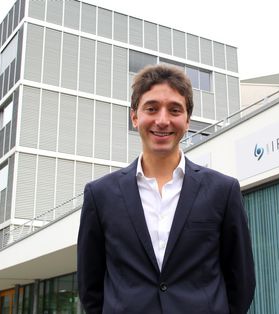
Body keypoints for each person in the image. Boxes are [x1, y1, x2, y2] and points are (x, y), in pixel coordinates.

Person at [77, 64, 255, 314]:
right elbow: (89, 286)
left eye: (174, 110)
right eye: (151, 108)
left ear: (187, 119)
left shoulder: (223, 191)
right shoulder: (100, 195)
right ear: (135, 116)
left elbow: (241, 281)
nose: (162, 120)